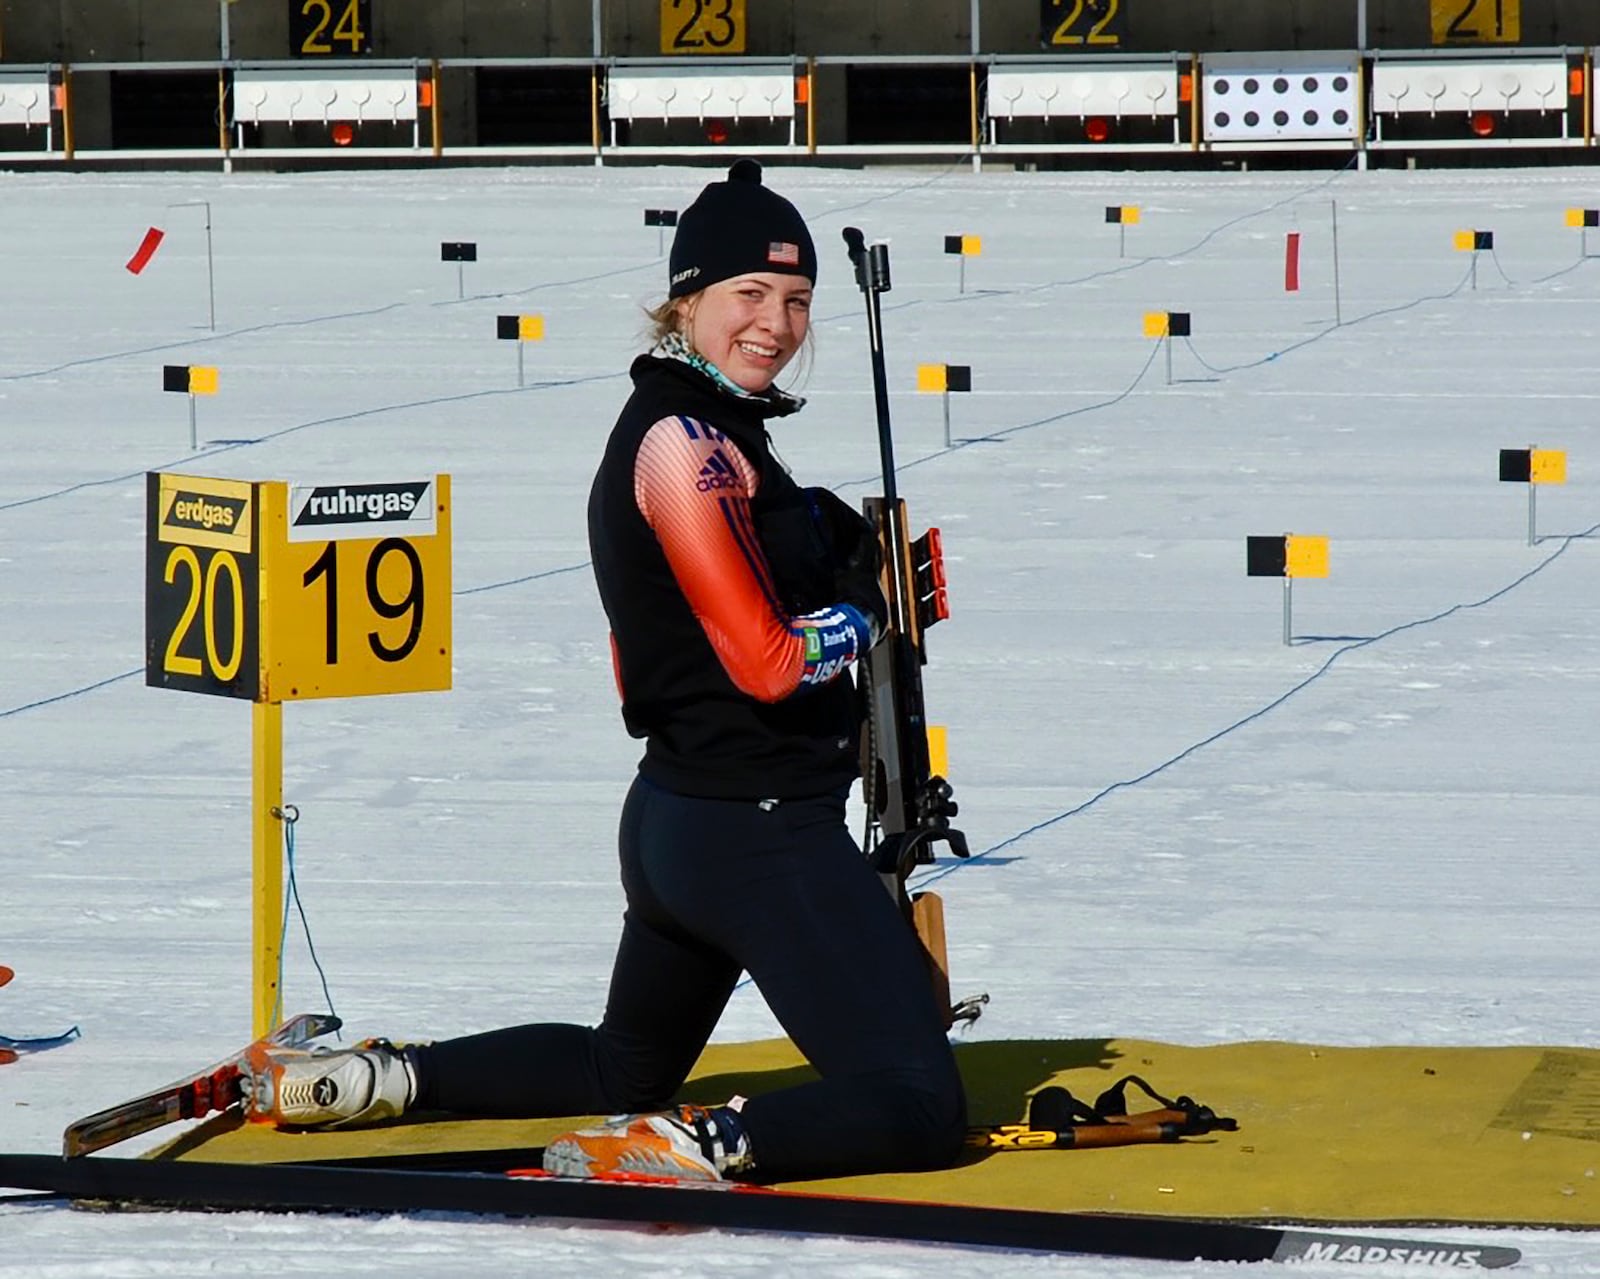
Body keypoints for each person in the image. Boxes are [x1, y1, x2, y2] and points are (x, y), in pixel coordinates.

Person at [245, 159, 968, 1184]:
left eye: (797, 299)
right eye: (747, 295)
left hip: (685, 822)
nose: (775, 322)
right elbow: (765, 664)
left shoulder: (714, 432)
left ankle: (384, 1079)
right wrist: (867, 609)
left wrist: (824, 539)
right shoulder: (686, 446)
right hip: (755, 830)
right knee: (920, 1104)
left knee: (620, 1062)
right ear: (686, 299)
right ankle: (698, 1143)